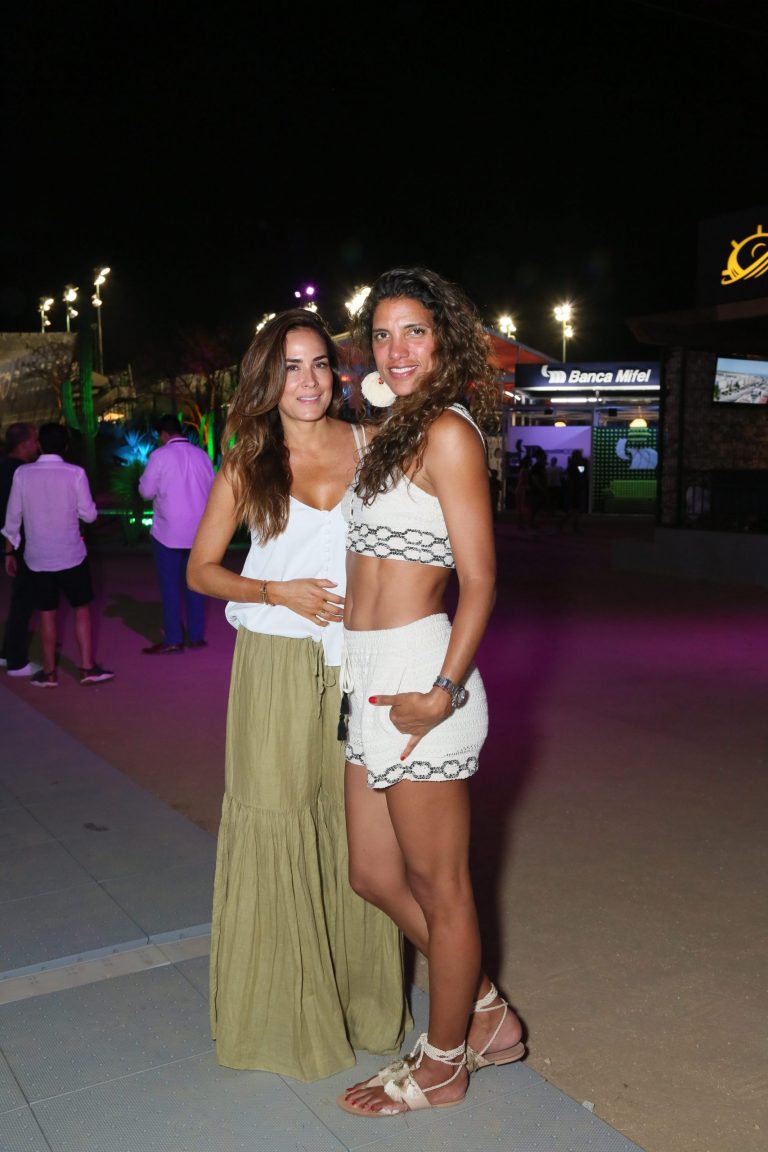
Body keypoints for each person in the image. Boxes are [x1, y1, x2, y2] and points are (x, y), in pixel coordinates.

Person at [186, 308, 409, 1081]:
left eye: (318, 364)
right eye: (290, 367)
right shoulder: (248, 462)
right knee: (277, 821)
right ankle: (281, 1020)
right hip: (276, 664)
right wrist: (273, 590)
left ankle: (365, 1007)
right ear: (267, 379)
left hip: (360, 664)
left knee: (357, 834)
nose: (308, 381)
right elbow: (201, 570)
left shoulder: (371, 444)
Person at [337, 267, 525, 1117]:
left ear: (444, 339)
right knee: (373, 873)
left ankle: (446, 1062)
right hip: (367, 673)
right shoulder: (387, 432)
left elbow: (479, 580)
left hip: (423, 676)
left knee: (441, 887)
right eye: (382, 334)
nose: (397, 348)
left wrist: (444, 690)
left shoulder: (448, 432)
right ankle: (483, 1007)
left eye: (414, 330)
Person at [1, 422, 113, 687]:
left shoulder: (23, 474)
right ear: (65, 446)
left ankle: (50, 673)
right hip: (71, 553)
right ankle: (87, 668)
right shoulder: (75, 473)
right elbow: (89, 515)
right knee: (81, 609)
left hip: (37, 557)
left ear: (40, 444)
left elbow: (13, 517)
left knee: (47, 613)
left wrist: (9, 552)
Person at [139, 414, 215, 653]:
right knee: (196, 585)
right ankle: (196, 636)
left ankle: (173, 638)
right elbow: (213, 489)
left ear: (163, 434)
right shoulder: (202, 455)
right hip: (199, 532)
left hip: (168, 532)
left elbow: (146, 491)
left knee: (170, 587)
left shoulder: (159, 456)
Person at [1, 422, 40, 675]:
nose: (37, 445)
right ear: (24, 444)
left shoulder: (4, 467)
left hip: (10, 540)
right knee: (24, 600)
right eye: (34, 440)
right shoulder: (24, 473)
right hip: (21, 541)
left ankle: (8, 653)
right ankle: (16, 660)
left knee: (19, 599)